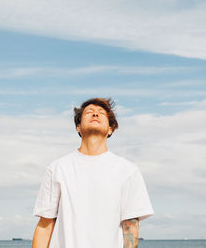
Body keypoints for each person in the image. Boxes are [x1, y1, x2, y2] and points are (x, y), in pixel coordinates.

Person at [32, 97, 154, 248]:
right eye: (89, 112)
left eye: (101, 113)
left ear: (111, 129)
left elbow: (131, 228)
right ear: (78, 127)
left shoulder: (128, 171)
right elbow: (45, 225)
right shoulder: (58, 168)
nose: (95, 114)